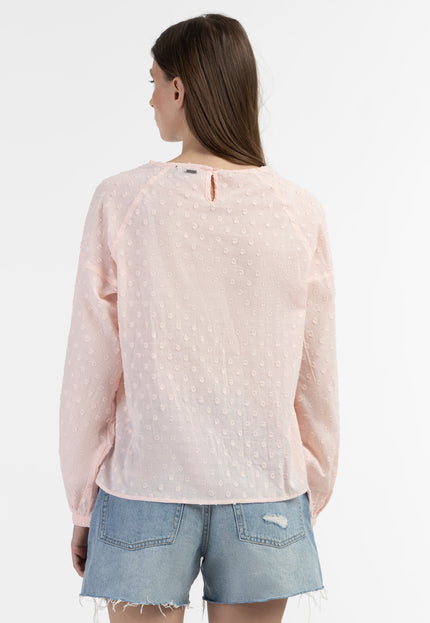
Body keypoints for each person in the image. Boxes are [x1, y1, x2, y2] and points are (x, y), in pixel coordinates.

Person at [59, 12, 340, 623]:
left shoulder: (121, 200)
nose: (150, 98)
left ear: (180, 88)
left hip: (143, 485)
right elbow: (316, 374)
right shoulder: (298, 211)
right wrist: (307, 490)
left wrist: (83, 500)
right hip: (267, 486)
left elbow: (91, 366)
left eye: (154, 81)